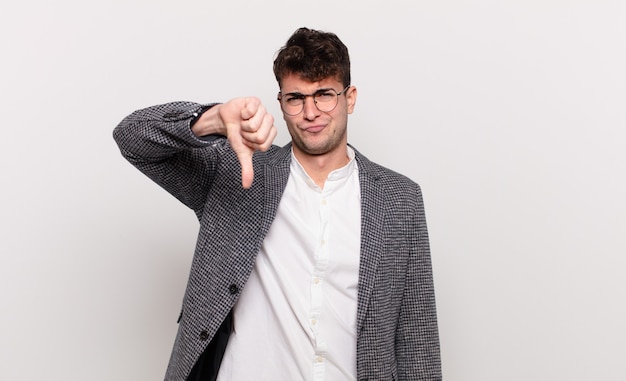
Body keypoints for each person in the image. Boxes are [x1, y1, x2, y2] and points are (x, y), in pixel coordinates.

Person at [113, 27, 441, 381]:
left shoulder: (399, 198)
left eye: (324, 94)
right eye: (296, 98)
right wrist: (212, 119)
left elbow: (416, 335)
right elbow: (132, 138)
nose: (311, 112)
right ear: (282, 103)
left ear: (350, 98)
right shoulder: (239, 172)